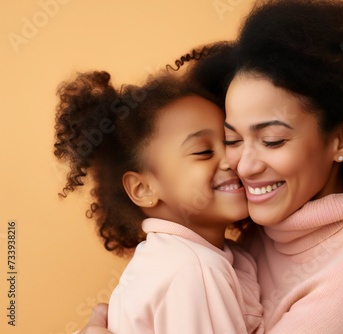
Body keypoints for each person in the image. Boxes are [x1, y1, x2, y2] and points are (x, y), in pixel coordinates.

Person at [77, 0, 343, 333]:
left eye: (273, 140)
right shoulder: (247, 241)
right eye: (232, 139)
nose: (242, 165)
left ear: (340, 142)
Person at [54, 70, 263, 333]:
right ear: (143, 189)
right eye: (203, 151)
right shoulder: (194, 271)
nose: (232, 160)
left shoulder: (183, 258)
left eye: (232, 142)